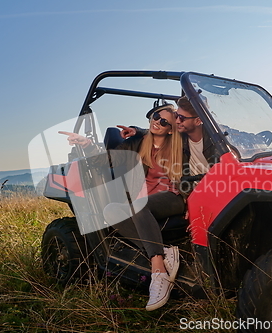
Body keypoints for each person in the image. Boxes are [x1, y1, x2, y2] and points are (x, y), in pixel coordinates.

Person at [59, 104, 184, 311]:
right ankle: (165, 252)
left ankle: (159, 271)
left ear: (171, 129)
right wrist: (88, 144)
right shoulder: (138, 143)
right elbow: (107, 160)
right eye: (155, 116)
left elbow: (198, 132)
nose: (157, 121)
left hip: (174, 196)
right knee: (111, 210)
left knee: (138, 206)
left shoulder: (178, 144)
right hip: (143, 200)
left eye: (164, 121)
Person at [120, 96, 219, 194]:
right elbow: (156, 131)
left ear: (198, 121)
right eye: (176, 116)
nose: (177, 121)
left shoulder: (217, 139)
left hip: (216, 188)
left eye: (182, 118)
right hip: (193, 191)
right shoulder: (182, 137)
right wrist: (136, 131)